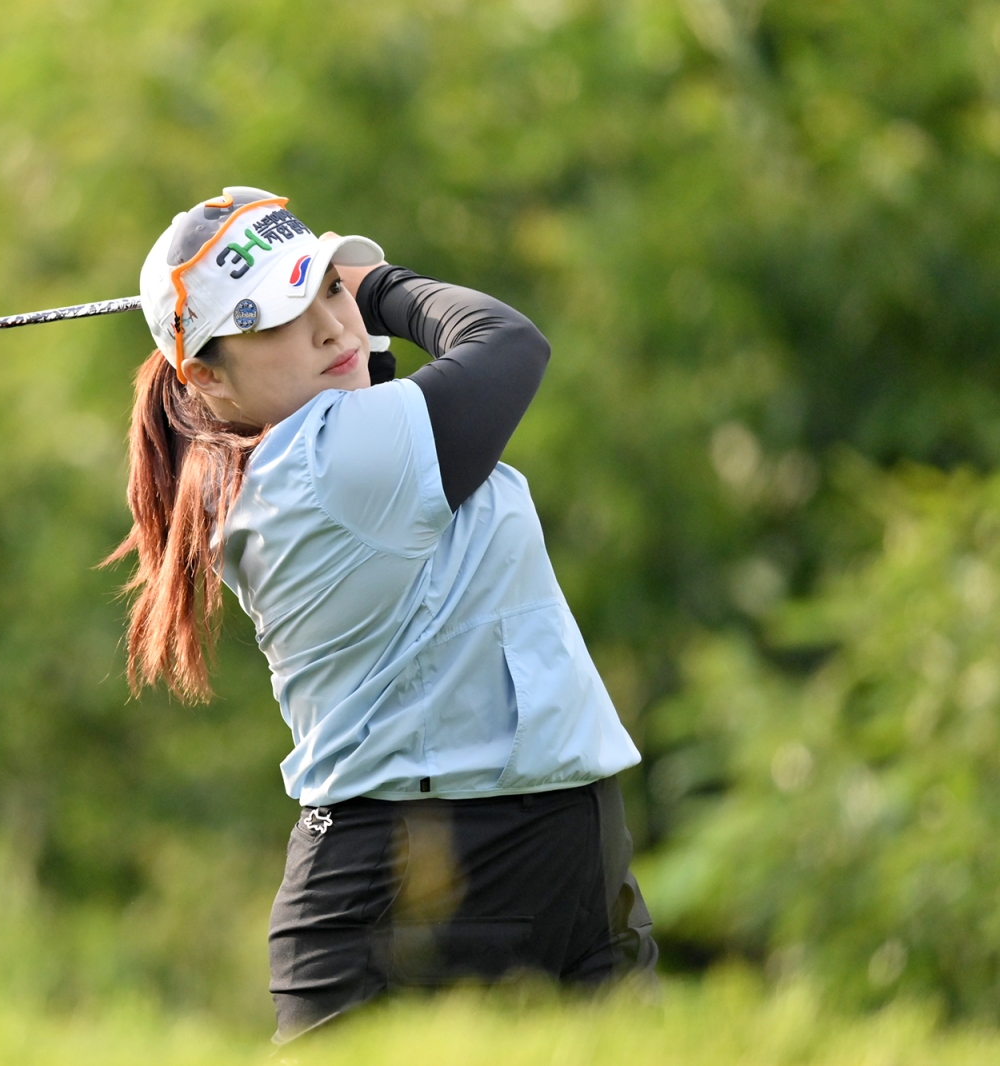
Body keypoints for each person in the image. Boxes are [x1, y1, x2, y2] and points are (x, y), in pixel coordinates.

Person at [107, 187, 657, 1044]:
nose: (331, 327)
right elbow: (507, 343)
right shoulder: (321, 468)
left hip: (573, 852)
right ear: (207, 380)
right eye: (279, 318)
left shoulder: (344, 438)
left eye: (328, 291)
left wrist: (340, 298)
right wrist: (379, 286)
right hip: (409, 878)